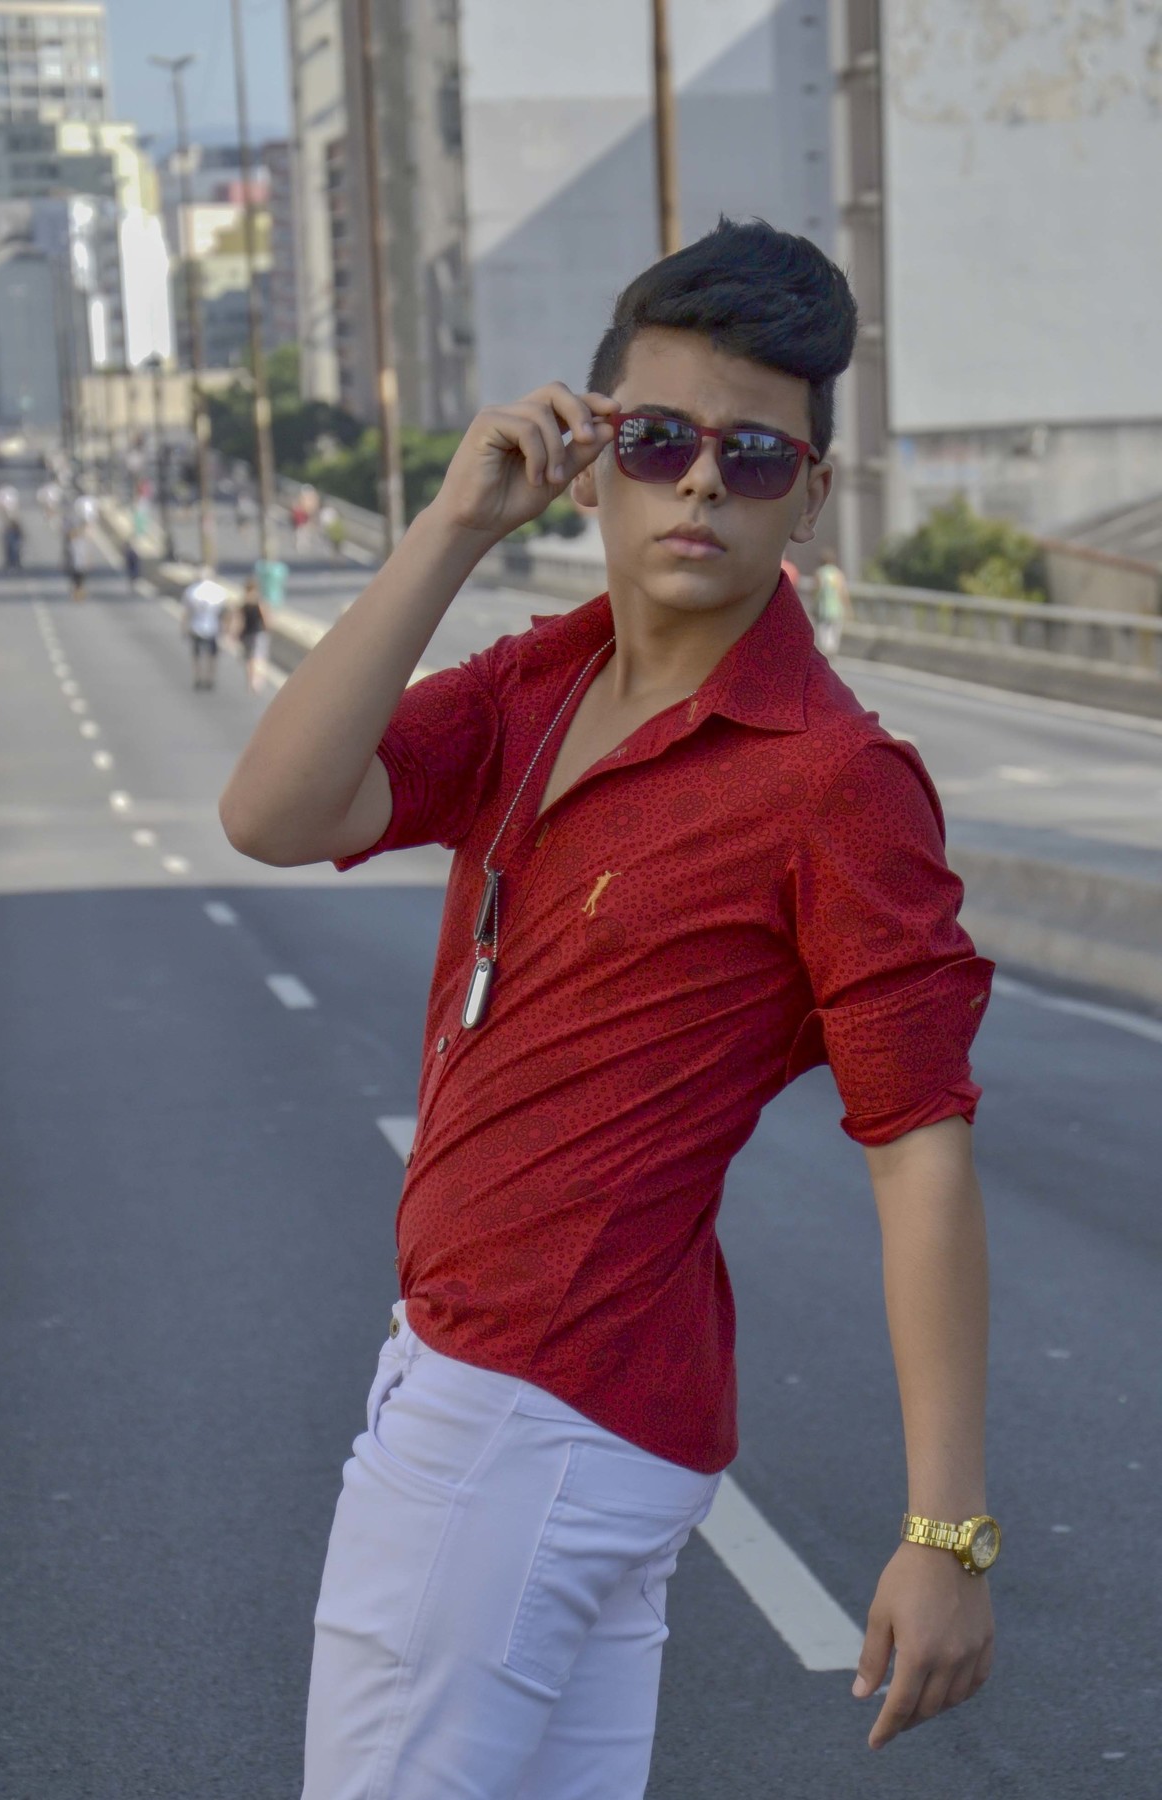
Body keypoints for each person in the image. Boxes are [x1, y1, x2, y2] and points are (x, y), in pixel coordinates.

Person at [221, 217, 998, 1795]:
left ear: (811, 495)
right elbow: (274, 814)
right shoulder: (540, 684)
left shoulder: (832, 783)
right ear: (589, 457)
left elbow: (919, 1149)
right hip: (539, 1404)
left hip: (519, 1415)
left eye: (753, 456)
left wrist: (948, 1531)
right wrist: (453, 525)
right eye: (657, 441)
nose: (701, 483)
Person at [181, 566, 226, 689]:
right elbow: (222, 613)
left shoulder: (191, 591)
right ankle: (210, 678)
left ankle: (198, 677)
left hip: (196, 627)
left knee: (197, 655)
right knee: (212, 655)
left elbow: (186, 612)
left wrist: (183, 628)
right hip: (213, 627)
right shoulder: (218, 591)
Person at [813, 546, 853, 657]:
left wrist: (814, 604)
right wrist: (848, 607)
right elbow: (843, 592)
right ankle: (832, 648)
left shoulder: (819, 573)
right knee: (835, 629)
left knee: (823, 629)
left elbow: (816, 591)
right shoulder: (838, 573)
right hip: (836, 607)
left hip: (823, 607)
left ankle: (826, 649)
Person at [235, 575, 269, 693]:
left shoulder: (244, 603)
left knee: (249, 659)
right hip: (258, 633)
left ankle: (250, 681)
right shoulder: (259, 602)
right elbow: (265, 619)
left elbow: (239, 620)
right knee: (259, 658)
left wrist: (236, 634)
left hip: (246, 634)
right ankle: (257, 681)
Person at [67, 525, 92, 601]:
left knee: (80, 583)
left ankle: (80, 595)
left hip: (81, 566)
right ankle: (77, 595)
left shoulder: (81, 543)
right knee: (76, 583)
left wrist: (88, 562)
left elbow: (86, 554)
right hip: (74, 567)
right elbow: (69, 556)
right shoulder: (71, 544)